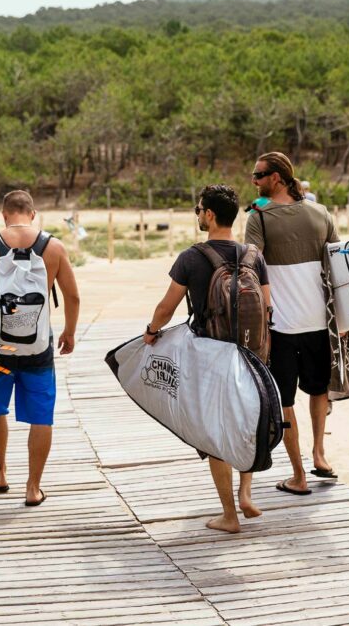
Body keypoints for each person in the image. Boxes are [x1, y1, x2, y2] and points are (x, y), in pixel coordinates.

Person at [144, 184, 269, 533]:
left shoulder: (191, 257)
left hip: (210, 356)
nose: (198, 215)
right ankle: (246, 493)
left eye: (199, 209)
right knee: (247, 422)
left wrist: (151, 330)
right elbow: (268, 303)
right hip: (251, 354)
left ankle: (229, 515)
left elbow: (167, 308)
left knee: (215, 433)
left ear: (210, 215)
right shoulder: (252, 255)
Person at [0, 190, 80, 506]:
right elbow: (73, 296)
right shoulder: (53, 247)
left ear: (3, 215)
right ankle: (33, 487)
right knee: (42, 417)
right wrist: (69, 331)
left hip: (1, 351)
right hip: (38, 349)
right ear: (33, 213)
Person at [245, 152, 349, 497]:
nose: (254, 182)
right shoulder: (321, 213)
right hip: (321, 323)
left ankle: (298, 476)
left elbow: (252, 268)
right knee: (319, 390)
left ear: (276, 178)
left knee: (285, 399)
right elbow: (341, 268)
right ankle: (319, 455)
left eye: (259, 175)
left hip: (281, 325)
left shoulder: (258, 216)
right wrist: (346, 319)